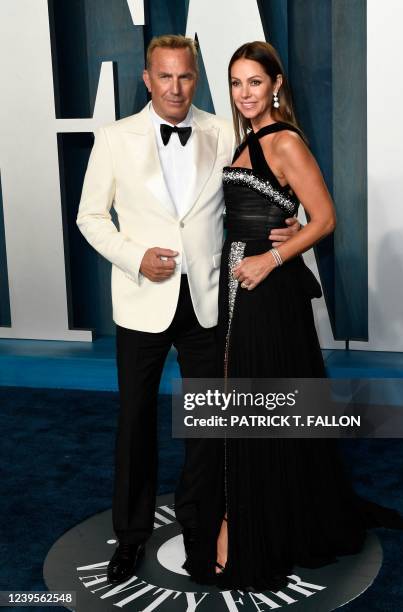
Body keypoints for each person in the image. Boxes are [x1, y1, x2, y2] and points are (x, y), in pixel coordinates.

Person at [183, 41, 403, 592]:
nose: (245, 94)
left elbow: (325, 216)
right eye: (237, 84)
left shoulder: (283, 141)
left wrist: (272, 255)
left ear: (276, 84)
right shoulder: (246, 140)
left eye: (255, 83)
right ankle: (261, 511)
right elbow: (281, 215)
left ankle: (245, 525)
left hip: (266, 293)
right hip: (240, 291)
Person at [76, 35, 299, 585]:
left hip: (207, 301)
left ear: (195, 79)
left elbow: (263, 185)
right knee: (134, 423)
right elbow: (90, 217)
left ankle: (203, 524)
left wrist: (290, 221)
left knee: (208, 425)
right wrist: (134, 256)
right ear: (148, 79)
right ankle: (130, 538)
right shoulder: (114, 138)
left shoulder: (224, 132)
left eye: (186, 77)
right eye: (165, 77)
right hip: (141, 302)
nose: (176, 88)